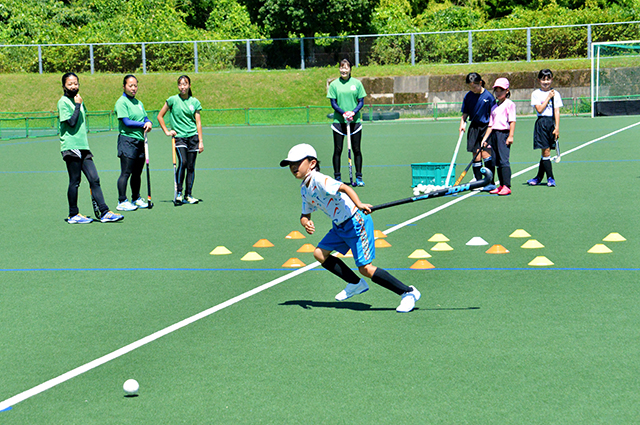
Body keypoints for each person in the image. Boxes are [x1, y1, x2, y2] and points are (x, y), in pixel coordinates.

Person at [280, 143, 421, 313]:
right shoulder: (305, 188)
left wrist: (359, 204)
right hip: (339, 226)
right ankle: (355, 283)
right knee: (319, 253)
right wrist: (305, 222)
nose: (293, 167)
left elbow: (344, 187)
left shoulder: (319, 179)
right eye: (290, 164)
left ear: (312, 163)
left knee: (366, 268)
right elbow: (305, 214)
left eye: (297, 162)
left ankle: (408, 292)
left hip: (355, 221)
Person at [58, 72, 123, 224]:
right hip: (71, 146)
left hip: (83, 146)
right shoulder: (63, 102)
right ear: (64, 86)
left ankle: (105, 212)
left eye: (76, 83)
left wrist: (79, 103)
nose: (73, 86)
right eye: (70, 84)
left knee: (94, 178)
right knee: (75, 181)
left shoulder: (78, 100)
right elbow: (72, 123)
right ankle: (73, 214)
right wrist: (78, 105)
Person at [157, 75, 204, 205]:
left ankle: (188, 195)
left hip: (192, 137)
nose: (182, 87)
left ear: (189, 85)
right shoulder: (172, 100)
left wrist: (200, 141)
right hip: (179, 137)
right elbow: (160, 116)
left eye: (185, 84)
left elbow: (198, 123)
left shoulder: (195, 102)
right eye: (180, 84)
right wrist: (167, 131)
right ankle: (178, 193)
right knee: (182, 162)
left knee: (191, 166)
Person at [114, 74, 153, 211]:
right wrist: (143, 124)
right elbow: (126, 121)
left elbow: (145, 117)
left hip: (140, 141)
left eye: (135, 85)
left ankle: (136, 198)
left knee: (137, 173)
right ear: (124, 86)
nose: (133, 88)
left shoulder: (139, 103)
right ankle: (122, 201)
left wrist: (148, 122)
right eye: (130, 85)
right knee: (126, 172)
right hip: (127, 141)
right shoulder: (121, 102)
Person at [327, 59, 367, 186]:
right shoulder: (334, 85)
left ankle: (359, 177)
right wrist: (343, 113)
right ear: (339, 69)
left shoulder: (357, 83)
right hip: (339, 121)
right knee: (338, 150)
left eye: (346, 68)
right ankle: (337, 178)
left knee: (357, 150)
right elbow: (333, 102)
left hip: (354, 122)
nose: (344, 70)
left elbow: (361, 101)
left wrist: (353, 112)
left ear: (350, 69)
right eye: (341, 68)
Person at [459, 72, 497, 191]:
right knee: (476, 155)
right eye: (470, 87)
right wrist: (462, 123)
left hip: (487, 127)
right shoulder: (468, 96)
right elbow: (465, 112)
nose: (472, 89)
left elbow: (493, 115)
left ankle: (490, 181)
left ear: (480, 83)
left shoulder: (489, 97)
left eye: (474, 87)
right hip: (474, 128)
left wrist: (489, 133)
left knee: (486, 154)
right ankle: (478, 180)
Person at [479, 77, 516, 196]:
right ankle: (501, 185)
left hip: (503, 134)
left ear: (507, 91)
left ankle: (507, 185)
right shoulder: (494, 106)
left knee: (504, 161)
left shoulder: (510, 104)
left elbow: (512, 121)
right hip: (494, 134)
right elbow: (490, 125)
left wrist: (510, 136)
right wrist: (485, 139)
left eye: (501, 90)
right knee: (497, 161)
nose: (499, 93)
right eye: (497, 90)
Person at [527, 69, 562, 187]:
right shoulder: (536, 94)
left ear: (551, 79)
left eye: (548, 79)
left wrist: (557, 127)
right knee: (545, 151)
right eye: (543, 79)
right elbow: (540, 109)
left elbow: (557, 111)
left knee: (546, 152)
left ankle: (538, 177)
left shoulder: (556, 94)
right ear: (539, 80)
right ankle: (550, 177)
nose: (545, 82)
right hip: (541, 123)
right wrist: (548, 97)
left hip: (551, 123)